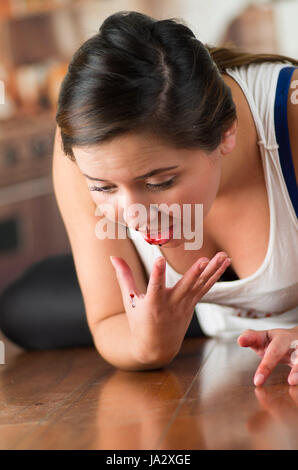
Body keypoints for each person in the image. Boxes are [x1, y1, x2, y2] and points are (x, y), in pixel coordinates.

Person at [0, 11, 297, 386]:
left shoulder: (291, 115)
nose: (133, 216)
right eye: (104, 187)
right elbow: (108, 319)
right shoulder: (85, 148)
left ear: (225, 132)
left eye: (160, 181)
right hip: (198, 321)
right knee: (22, 307)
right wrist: (149, 343)